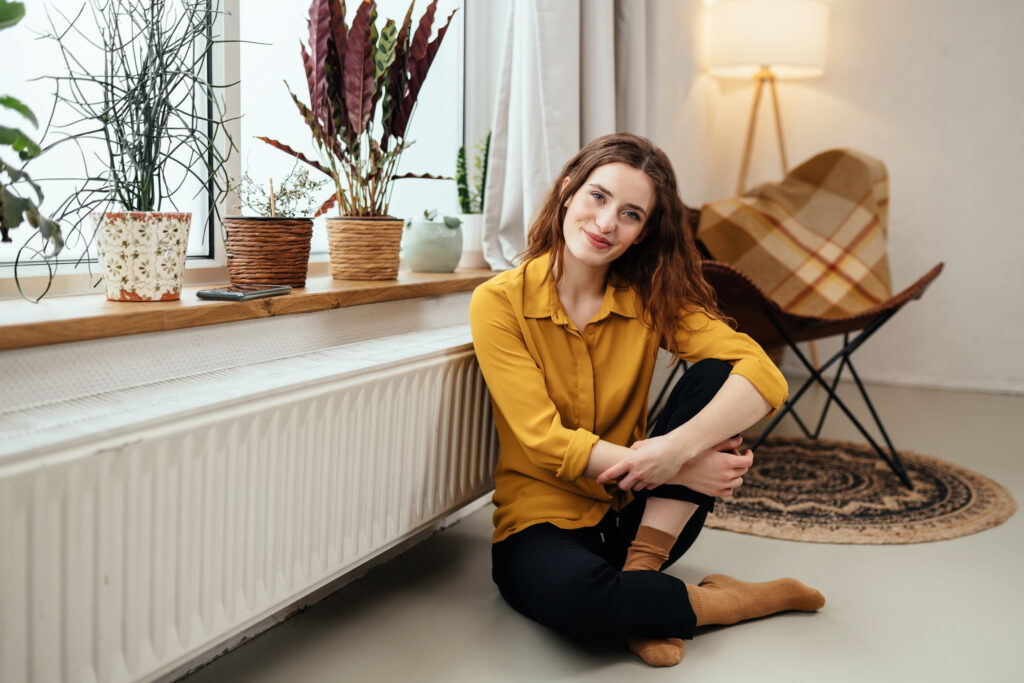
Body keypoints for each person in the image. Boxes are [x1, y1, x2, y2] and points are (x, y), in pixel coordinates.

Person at [468, 133, 825, 668]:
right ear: (567, 192)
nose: (607, 222)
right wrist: (671, 468)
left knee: (721, 369)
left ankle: (640, 576)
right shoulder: (499, 302)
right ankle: (732, 600)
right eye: (598, 196)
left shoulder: (650, 301)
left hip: (638, 516)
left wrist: (677, 453)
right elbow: (544, 441)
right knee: (579, 603)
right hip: (539, 525)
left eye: (630, 214)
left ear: (642, 234)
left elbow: (765, 375)